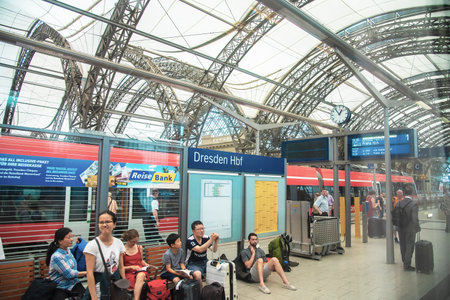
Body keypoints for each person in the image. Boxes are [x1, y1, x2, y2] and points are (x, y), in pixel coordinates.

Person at [83, 210, 126, 300]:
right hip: (99, 285)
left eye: (108, 222)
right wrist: (94, 297)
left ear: (114, 224)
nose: (104, 225)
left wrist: (123, 287)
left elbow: (121, 267)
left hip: (115, 284)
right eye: (101, 222)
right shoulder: (92, 245)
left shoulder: (119, 243)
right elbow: (89, 273)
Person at [46, 227, 86, 300]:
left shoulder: (67, 250)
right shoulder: (57, 256)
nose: (71, 239)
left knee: (86, 296)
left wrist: (79, 244)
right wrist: (87, 272)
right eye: (68, 237)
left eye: (71, 237)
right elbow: (69, 274)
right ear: (60, 241)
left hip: (73, 283)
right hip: (60, 286)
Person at [185, 220, 219, 287]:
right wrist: (211, 240)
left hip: (204, 261)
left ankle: (214, 291)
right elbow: (199, 250)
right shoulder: (190, 240)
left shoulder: (206, 238)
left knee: (218, 269)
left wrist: (216, 241)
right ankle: (201, 293)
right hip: (193, 263)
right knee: (197, 275)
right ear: (193, 231)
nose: (201, 231)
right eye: (199, 229)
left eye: (202, 228)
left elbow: (214, 250)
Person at [395, 189, 420, 271]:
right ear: (412, 195)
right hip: (410, 228)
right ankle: (407, 264)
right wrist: (417, 227)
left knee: (402, 245)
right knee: (409, 245)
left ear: (404, 194)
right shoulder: (413, 204)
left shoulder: (398, 203)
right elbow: (414, 218)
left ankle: (404, 261)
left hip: (400, 228)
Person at [122, 229, 149, 300]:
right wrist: (131, 267)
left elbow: (141, 260)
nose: (134, 243)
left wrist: (146, 264)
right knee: (142, 282)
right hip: (129, 273)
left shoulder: (139, 248)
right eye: (132, 242)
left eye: (136, 241)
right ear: (127, 240)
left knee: (141, 276)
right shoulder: (123, 251)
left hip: (140, 270)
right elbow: (121, 267)